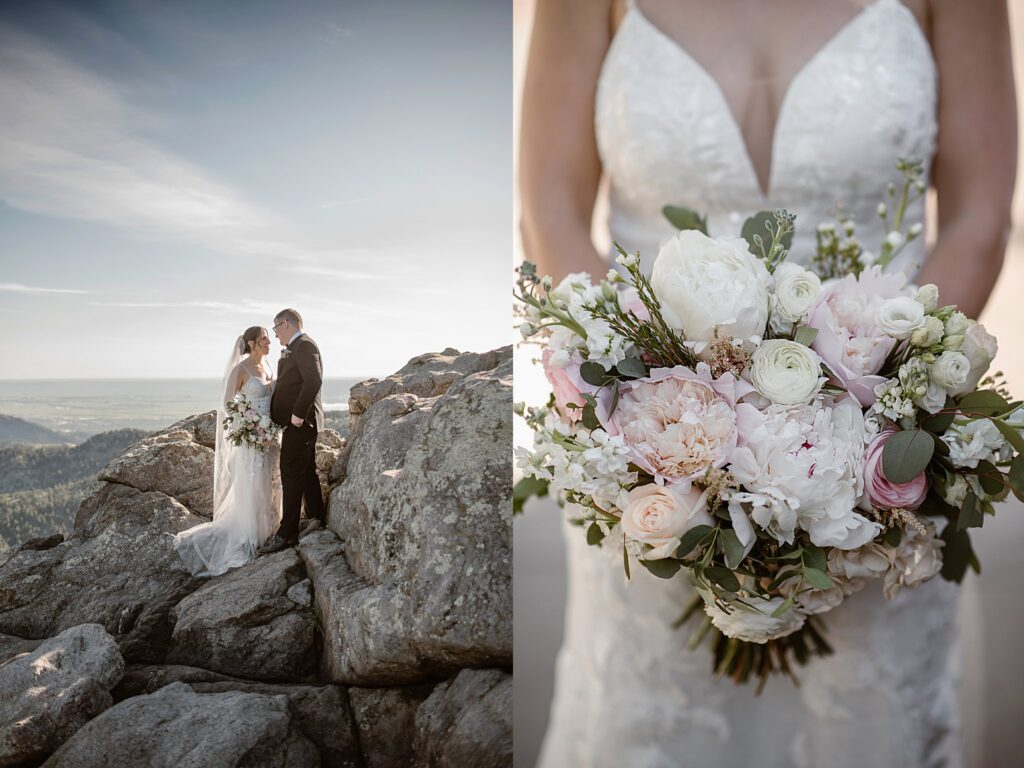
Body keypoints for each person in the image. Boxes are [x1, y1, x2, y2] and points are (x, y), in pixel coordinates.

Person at [520, 0, 1016, 765]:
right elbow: (548, 208)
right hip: (649, 468)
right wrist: (656, 426)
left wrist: (880, 421)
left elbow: (979, 215)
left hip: (883, 475)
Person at [173, 326, 281, 576]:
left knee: (268, 482)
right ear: (252, 343)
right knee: (252, 484)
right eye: (265, 338)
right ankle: (248, 537)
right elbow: (227, 404)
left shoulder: (268, 367)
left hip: (268, 436)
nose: (269, 342)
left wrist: (267, 428)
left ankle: (267, 531)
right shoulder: (240, 369)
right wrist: (249, 423)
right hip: (251, 437)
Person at [258, 308, 326, 554]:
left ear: (286, 324)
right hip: (298, 424)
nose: (275, 336)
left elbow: (313, 380)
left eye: (276, 329)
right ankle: (317, 516)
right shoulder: (297, 348)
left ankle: (287, 534)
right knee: (306, 471)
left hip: (301, 423)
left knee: (290, 472)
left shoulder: (305, 345)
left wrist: (297, 414)